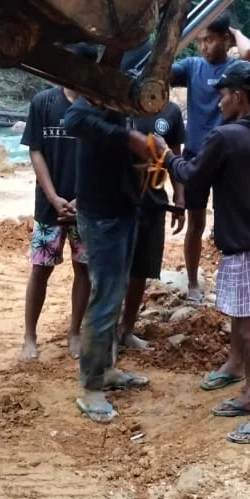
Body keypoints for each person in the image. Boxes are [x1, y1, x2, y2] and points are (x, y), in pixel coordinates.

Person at [162, 61, 250, 444]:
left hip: (244, 243)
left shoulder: (226, 136)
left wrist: (163, 155)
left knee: (249, 328)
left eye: (221, 95)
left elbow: (191, 175)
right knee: (241, 320)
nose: (217, 103)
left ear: (236, 96)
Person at [60, 52, 156, 423]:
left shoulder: (121, 102)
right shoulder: (91, 101)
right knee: (103, 299)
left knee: (113, 297)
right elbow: (75, 120)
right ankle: (90, 387)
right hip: (101, 217)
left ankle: (107, 368)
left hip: (124, 209)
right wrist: (130, 139)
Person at [170, 13, 250, 302]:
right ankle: (193, 282)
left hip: (227, 156)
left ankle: (229, 280)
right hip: (197, 154)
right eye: (199, 41)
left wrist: (234, 30)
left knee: (228, 221)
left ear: (224, 39)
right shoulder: (193, 67)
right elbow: (162, 70)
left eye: (208, 39)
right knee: (196, 222)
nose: (203, 46)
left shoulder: (235, 68)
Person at [19, 84, 89, 360]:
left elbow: (102, 158)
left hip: (85, 207)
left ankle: (74, 331)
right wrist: (52, 196)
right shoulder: (43, 102)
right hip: (49, 208)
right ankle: (29, 336)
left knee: (83, 269)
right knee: (40, 270)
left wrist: (81, 200)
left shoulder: (96, 104)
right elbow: (35, 150)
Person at [120, 91, 186, 353]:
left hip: (154, 202)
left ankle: (126, 330)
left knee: (140, 272)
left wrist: (180, 200)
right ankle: (105, 332)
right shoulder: (123, 104)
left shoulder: (171, 112)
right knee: (116, 270)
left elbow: (175, 159)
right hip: (120, 201)